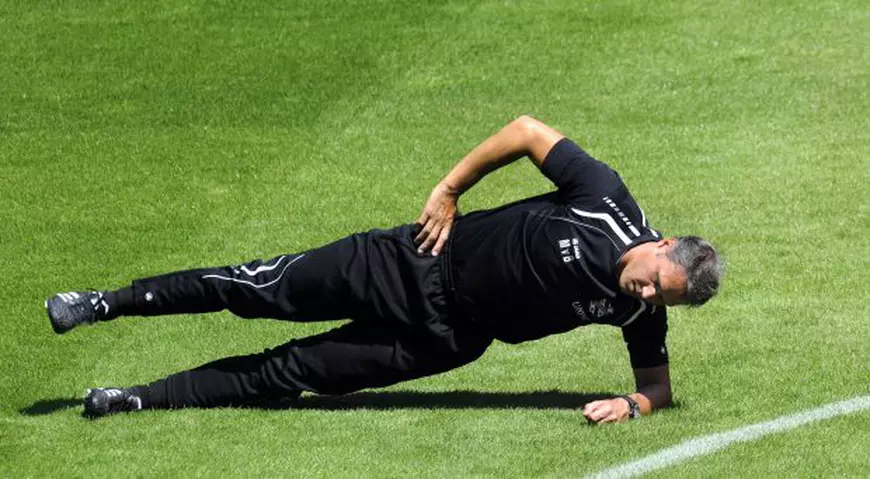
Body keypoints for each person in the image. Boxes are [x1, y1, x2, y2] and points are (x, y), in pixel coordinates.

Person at [45, 116, 723, 424]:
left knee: (293, 372)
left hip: (446, 339)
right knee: (253, 287)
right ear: (660, 243)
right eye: (648, 278)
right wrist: (451, 189)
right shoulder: (603, 198)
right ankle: (104, 303)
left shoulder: (639, 312)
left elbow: (658, 385)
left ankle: (134, 398)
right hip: (413, 260)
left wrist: (632, 404)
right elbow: (526, 131)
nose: (638, 292)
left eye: (655, 298)